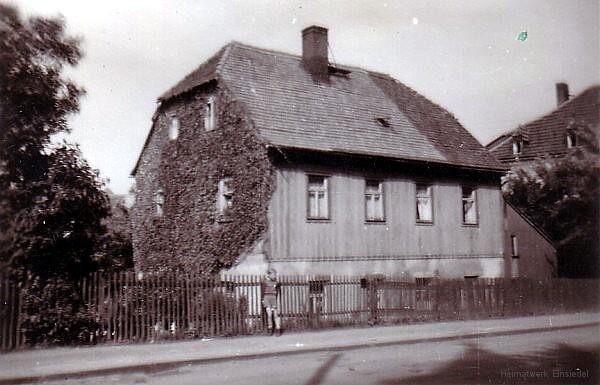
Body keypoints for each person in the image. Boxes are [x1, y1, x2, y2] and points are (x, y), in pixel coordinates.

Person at [262, 267, 282, 336]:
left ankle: (278, 329)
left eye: (275, 274)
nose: (275, 276)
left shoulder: (277, 283)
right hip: (267, 298)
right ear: (269, 275)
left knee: (276, 315)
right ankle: (270, 329)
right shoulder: (265, 282)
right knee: (269, 315)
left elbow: (278, 292)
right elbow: (263, 291)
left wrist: (277, 299)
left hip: (273, 298)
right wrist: (263, 300)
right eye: (273, 274)